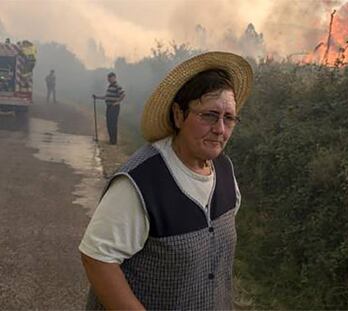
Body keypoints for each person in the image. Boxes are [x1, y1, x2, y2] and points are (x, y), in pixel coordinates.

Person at [79, 52, 253, 310]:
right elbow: (98, 259)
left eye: (229, 118)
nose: (220, 129)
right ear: (178, 115)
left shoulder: (224, 170)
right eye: (208, 115)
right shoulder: (140, 182)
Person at [93, 72, 125, 145]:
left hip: (114, 107)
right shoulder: (110, 86)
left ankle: (114, 141)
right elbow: (106, 97)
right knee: (109, 123)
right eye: (108, 78)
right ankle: (111, 140)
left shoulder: (117, 85)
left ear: (114, 77)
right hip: (109, 107)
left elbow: (123, 94)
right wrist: (97, 97)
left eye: (110, 77)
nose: (109, 79)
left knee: (113, 124)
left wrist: (117, 102)